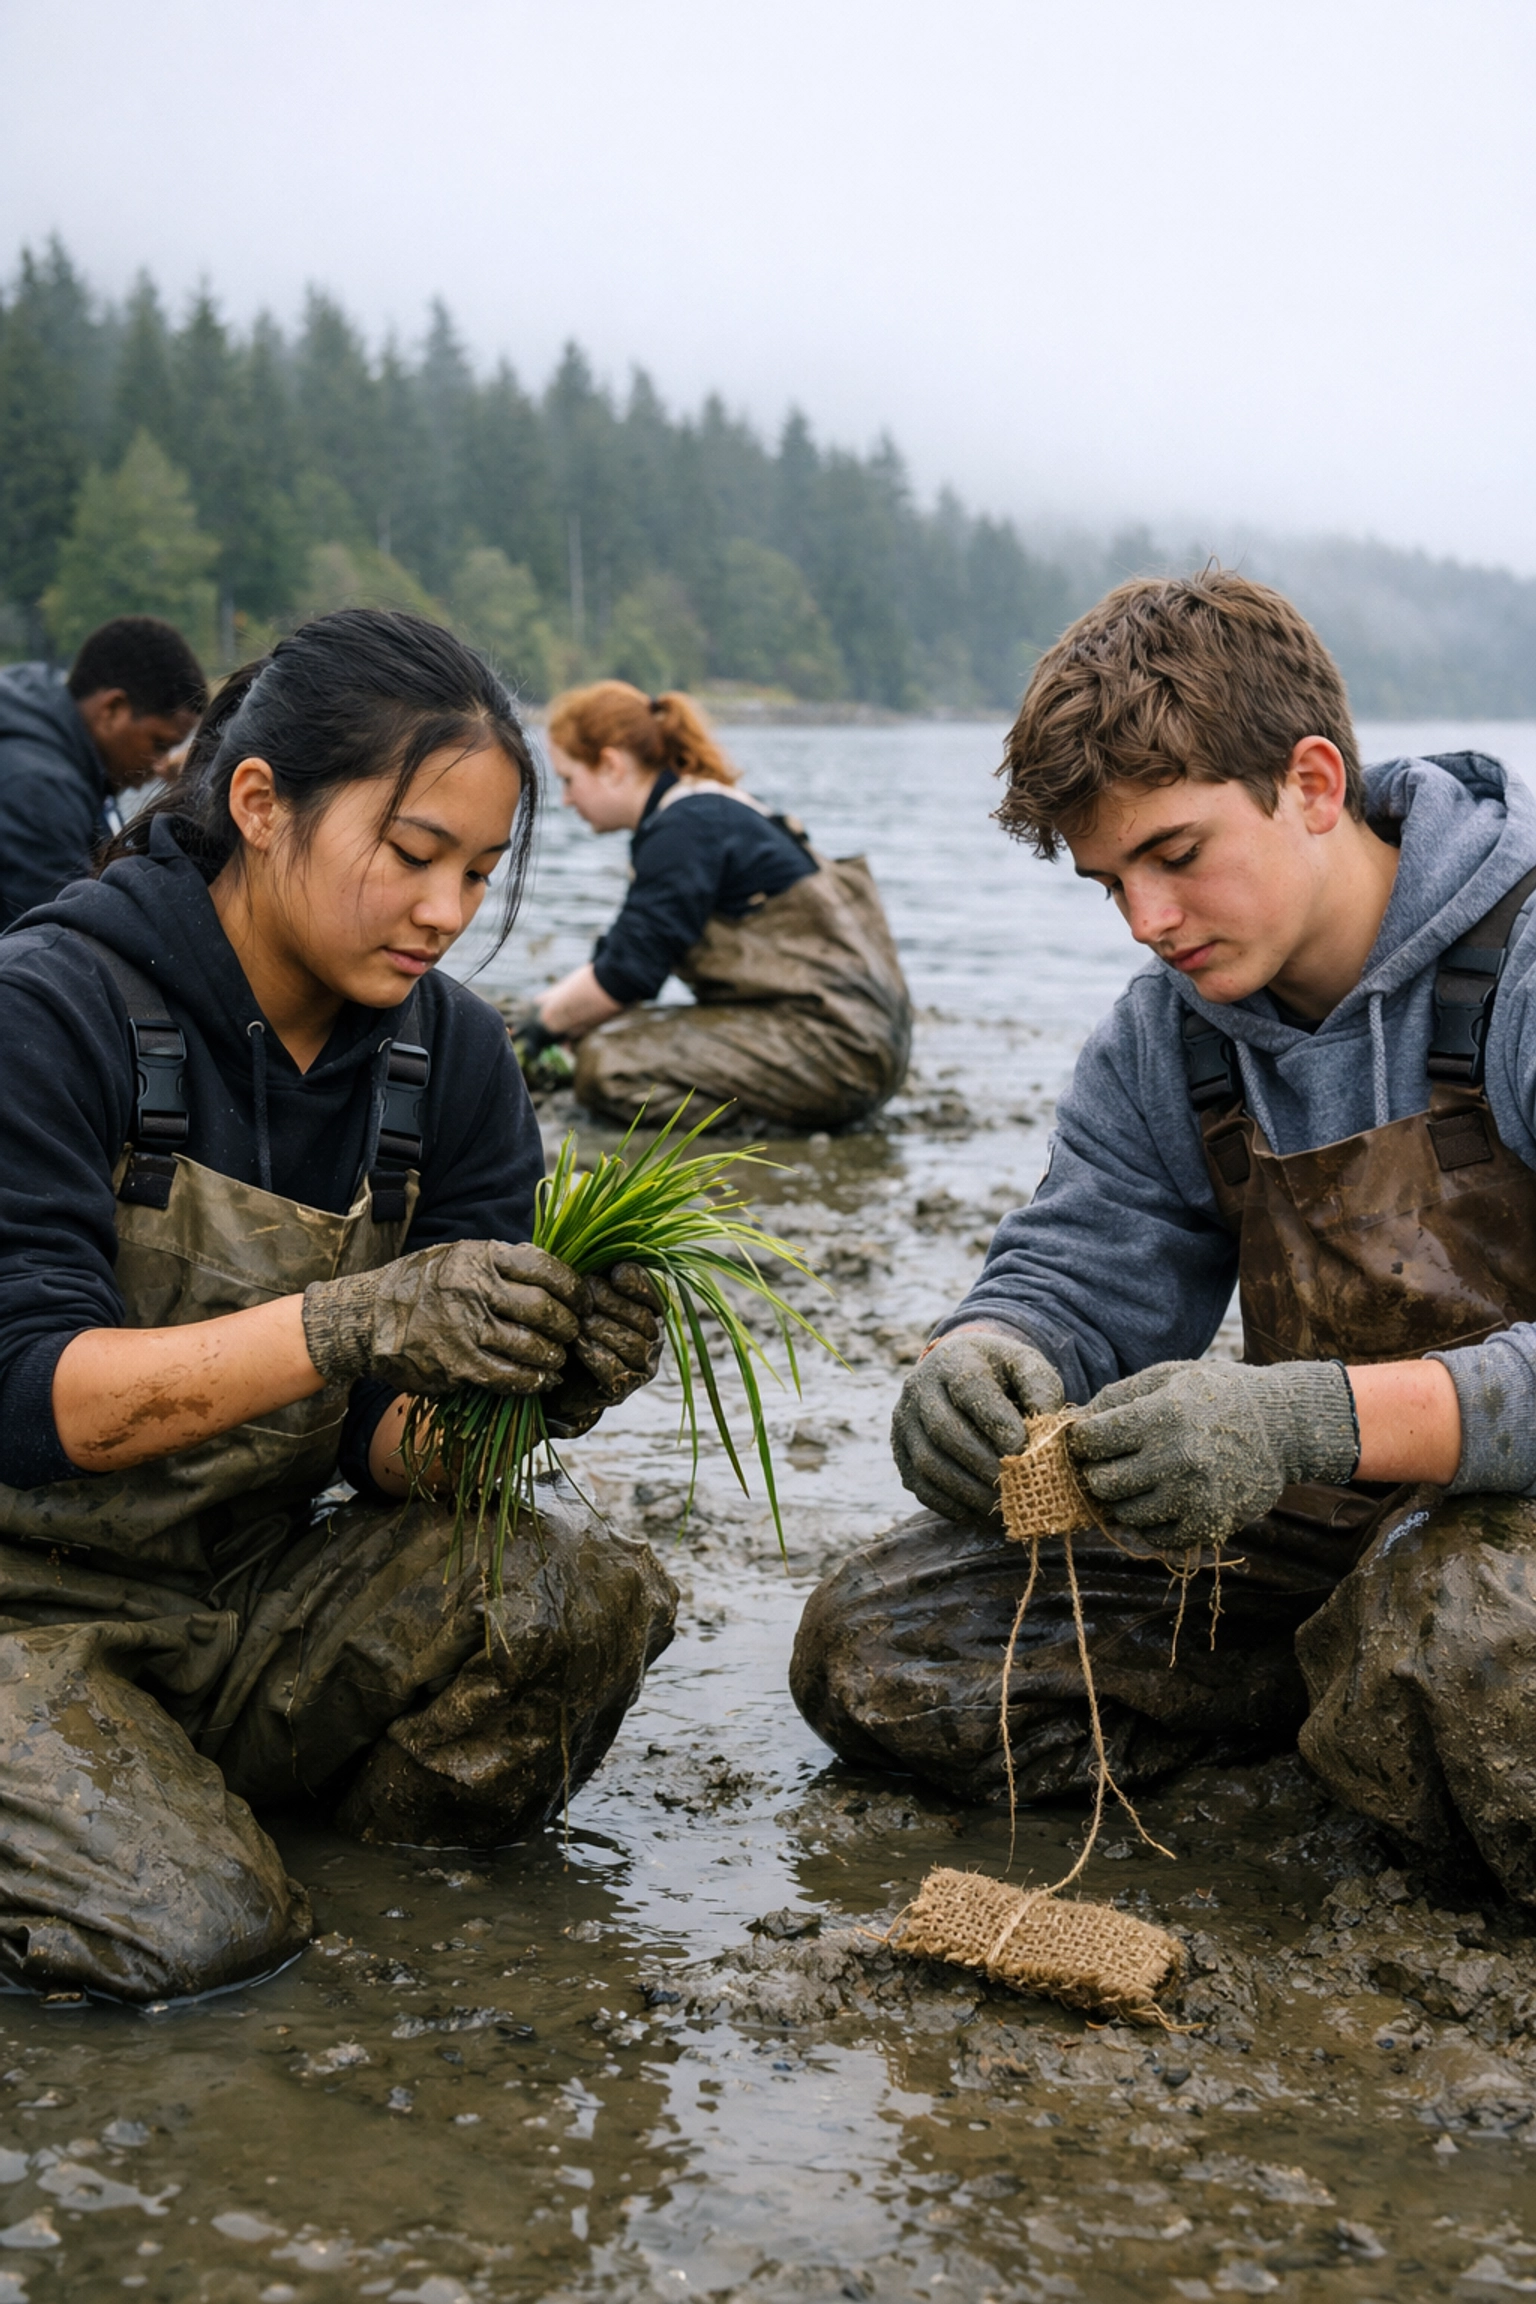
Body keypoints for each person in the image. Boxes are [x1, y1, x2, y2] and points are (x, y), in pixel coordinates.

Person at [792, 568, 1536, 1908]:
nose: (1146, 922)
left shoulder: (1524, 964)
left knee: (1463, 1621)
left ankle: (1386, 1721)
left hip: (1498, 1539)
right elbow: (1084, 1263)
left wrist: (1309, 1421)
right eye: (1110, 881)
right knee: (878, 1646)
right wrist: (984, 1354)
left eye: (1177, 856)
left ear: (1312, 784)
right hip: (1329, 1538)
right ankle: (1341, 1733)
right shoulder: (1169, 1031)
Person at [0, 608, 676, 2003]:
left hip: (239, 1598)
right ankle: (157, 1851)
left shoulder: (457, 1063)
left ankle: (309, 1885)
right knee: (193, 1942)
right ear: (260, 803)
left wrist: (528, 1390)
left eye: (481, 872)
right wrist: (342, 1321)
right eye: (413, 854)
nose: (448, 911)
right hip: (22, 1612)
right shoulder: (49, 1010)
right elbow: (25, 1394)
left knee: (572, 1598)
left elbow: (384, 1441)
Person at [526, 681, 910, 1133]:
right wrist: (550, 1009)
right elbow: (626, 950)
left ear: (610, 765)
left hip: (835, 1053)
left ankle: (771, 1133)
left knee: (606, 1065)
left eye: (570, 779)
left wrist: (542, 1023)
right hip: (860, 1045)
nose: (567, 798)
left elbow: (627, 974)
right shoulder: (704, 810)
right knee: (599, 1031)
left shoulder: (683, 829)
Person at [0, 615, 207, 928]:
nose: (161, 764)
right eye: (159, 744)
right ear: (112, 709)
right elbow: (68, 937)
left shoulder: (42, 706)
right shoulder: (39, 790)